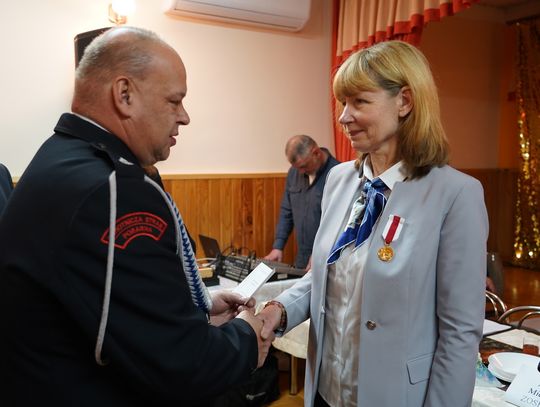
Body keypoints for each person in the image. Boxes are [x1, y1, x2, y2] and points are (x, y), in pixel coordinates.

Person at [0, 27, 274, 407]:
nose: (184, 117)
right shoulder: (114, 190)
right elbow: (182, 365)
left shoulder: (63, 156)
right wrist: (247, 336)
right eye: (174, 101)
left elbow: (103, 302)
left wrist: (197, 305)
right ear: (124, 94)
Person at [258, 41, 488, 407]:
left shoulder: (456, 195)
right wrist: (279, 309)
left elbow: (460, 333)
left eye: (359, 102)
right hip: (326, 391)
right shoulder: (339, 181)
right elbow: (325, 276)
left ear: (405, 101)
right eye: (342, 103)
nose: (343, 117)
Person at [264, 135, 339, 269]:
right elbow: (286, 211)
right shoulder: (294, 173)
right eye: (297, 167)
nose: (301, 172)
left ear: (316, 153)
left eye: (304, 166)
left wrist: (321, 252)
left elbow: (339, 222)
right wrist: (278, 246)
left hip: (328, 260)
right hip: (302, 258)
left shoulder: (339, 174)